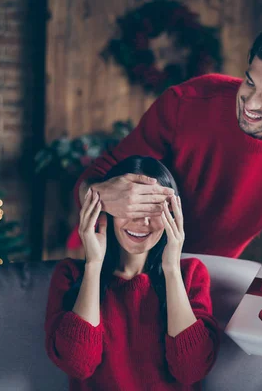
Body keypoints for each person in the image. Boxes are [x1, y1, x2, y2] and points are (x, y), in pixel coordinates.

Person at [74, 20, 262, 375]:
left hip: (203, 278)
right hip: (132, 263)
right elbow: (95, 179)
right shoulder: (187, 102)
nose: (251, 103)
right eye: (250, 82)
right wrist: (100, 193)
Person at [45, 156, 220, 390]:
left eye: (154, 208)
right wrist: (94, 265)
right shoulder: (70, 275)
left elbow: (191, 370)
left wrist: (171, 270)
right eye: (132, 207)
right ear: (106, 209)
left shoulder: (191, 275)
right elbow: (77, 364)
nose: (143, 221)